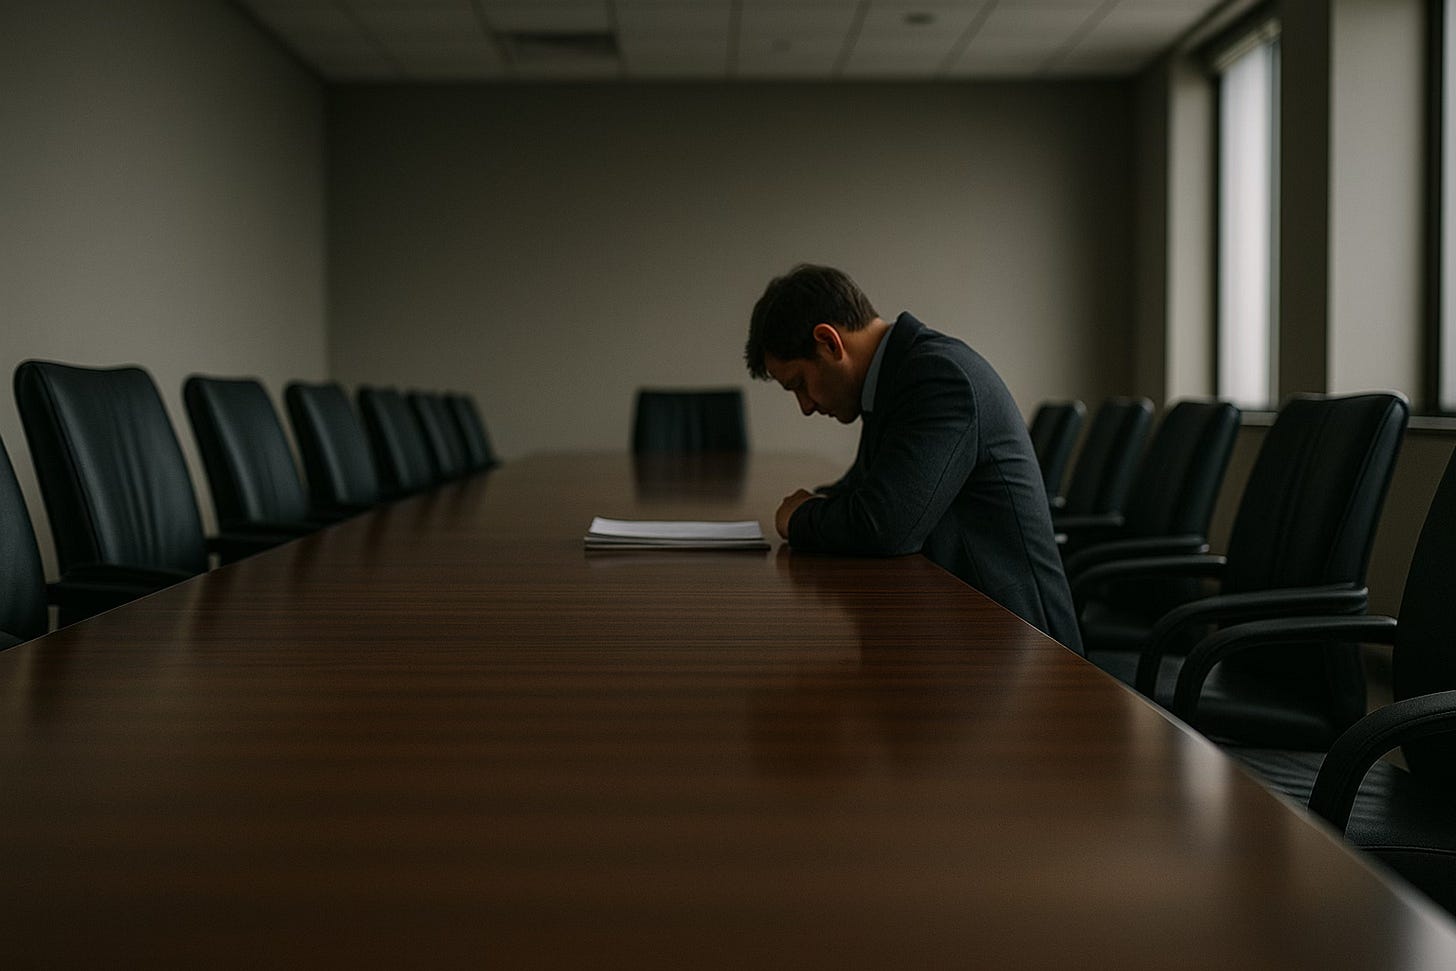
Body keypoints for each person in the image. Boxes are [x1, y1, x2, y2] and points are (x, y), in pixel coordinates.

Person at [744, 264, 1082, 653]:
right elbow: (862, 490)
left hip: (1027, 653)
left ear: (829, 342)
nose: (804, 406)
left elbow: (885, 526)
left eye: (799, 384)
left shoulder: (937, 377)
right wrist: (817, 504)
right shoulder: (896, 375)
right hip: (971, 634)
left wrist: (802, 516)